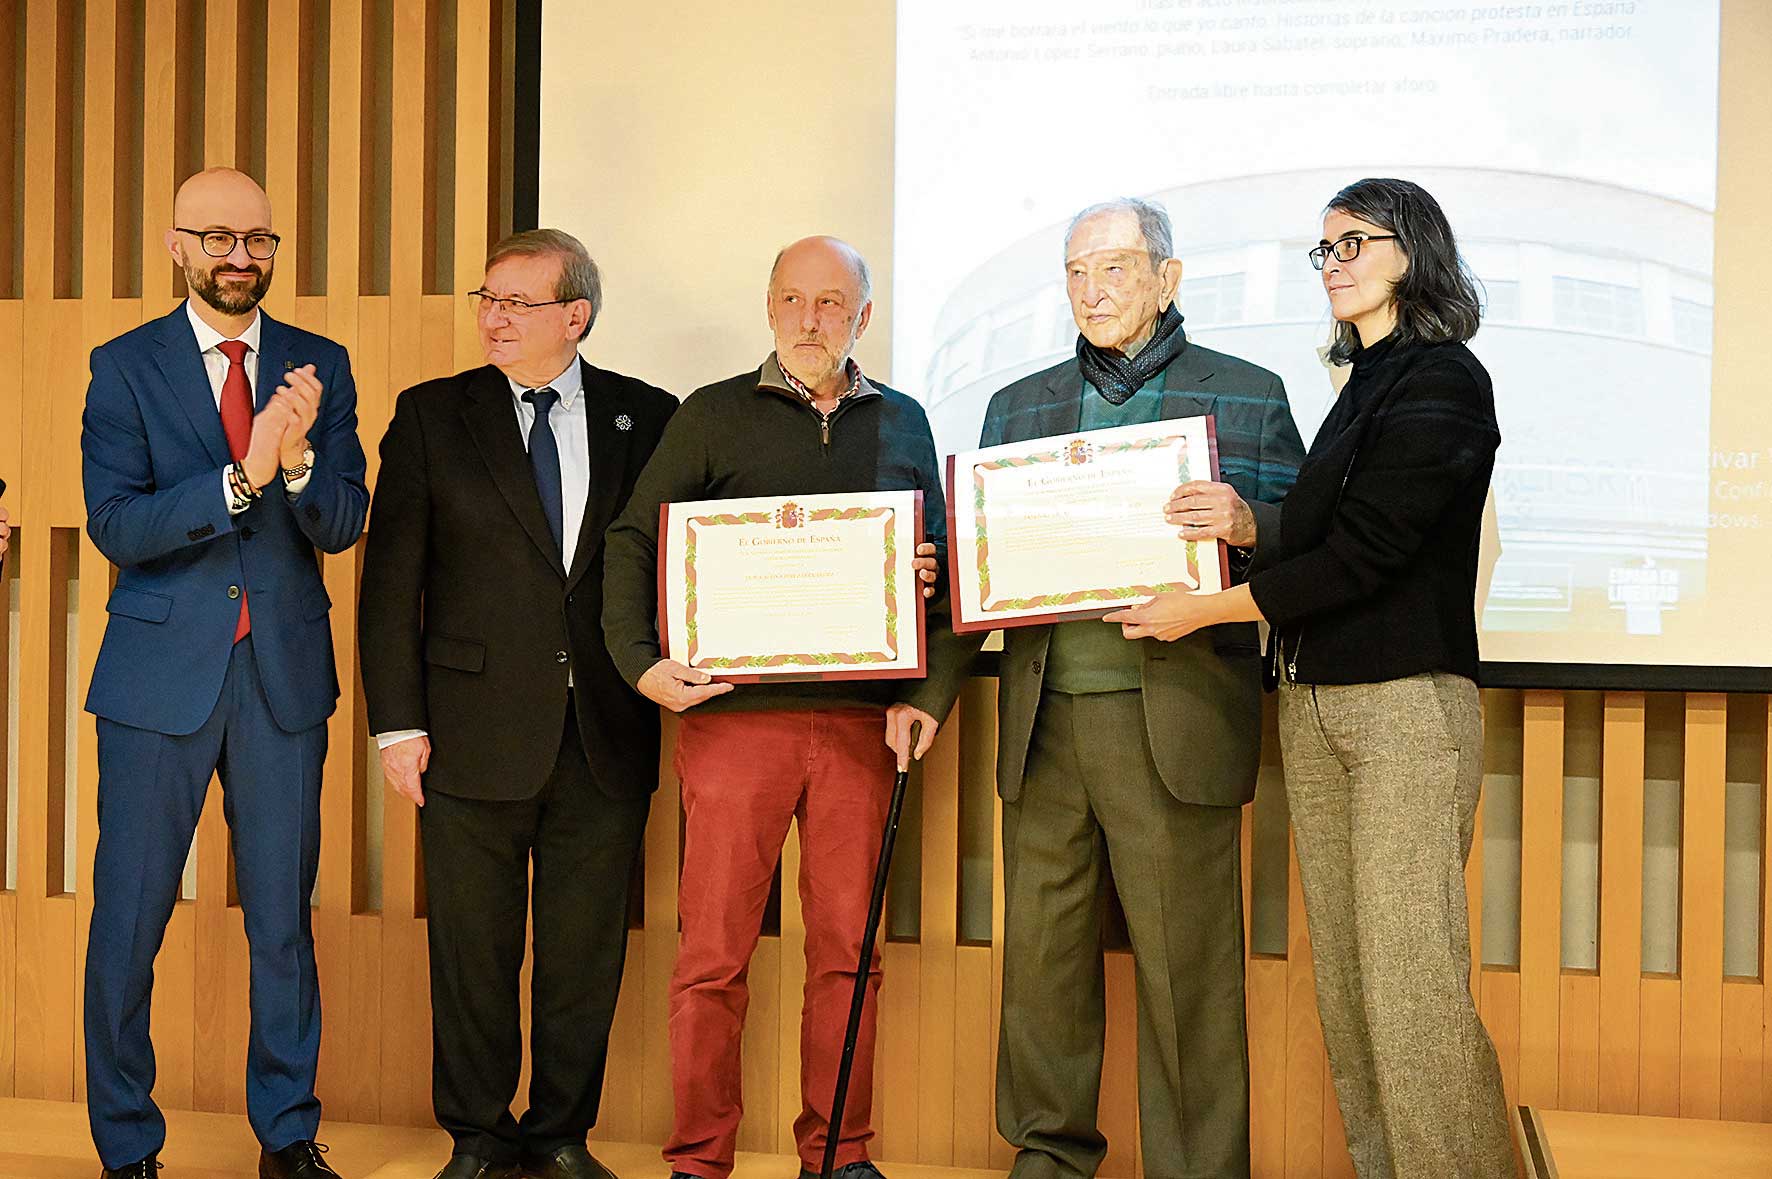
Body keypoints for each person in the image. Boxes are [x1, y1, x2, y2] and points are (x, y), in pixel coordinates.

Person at [1105, 177, 1510, 1177]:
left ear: (1411, 252)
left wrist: (1203, 607)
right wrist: (1247, 526)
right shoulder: (1359, 387)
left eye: (1353, 244)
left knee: (1410, 989)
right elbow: (1323, 534)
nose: (1333, 265)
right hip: (1317, 702)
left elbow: (1366, 557)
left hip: (1403, 709)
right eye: (1322, 251)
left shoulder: (1442, 379)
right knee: (1352, 989)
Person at [601, 236, 972, 1179]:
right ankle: (698, 1160)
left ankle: (840, 1155)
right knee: (713, 959)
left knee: (850, 957)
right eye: (795, 300)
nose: (813, 320)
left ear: (864, 317)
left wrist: (925, 677)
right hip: (734, 726)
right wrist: (642, 667)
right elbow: (636, 538)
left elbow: (939, 570)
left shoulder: (907, 420)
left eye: (833, 302)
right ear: (770, 308)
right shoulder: (712, 415)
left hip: (861, 727)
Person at [978, 197, 1303, 1179]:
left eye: (1115, 268)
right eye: (1076, 273)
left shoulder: (1244, 392)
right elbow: (987, 555)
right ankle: (1045, 1157)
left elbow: (1310, 538)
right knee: (1040, 972)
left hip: (1172, 721)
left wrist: (1248, 525)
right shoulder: (1017, 404)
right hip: (1040, 722)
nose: (1093, 290)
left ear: (1166, 278)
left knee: (1184, 979)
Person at [357, 229, 677, 1179]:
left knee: (583, 958)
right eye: (485, 298)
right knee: (472, 951)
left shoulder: (647, 416)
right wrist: (397, 724)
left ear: (575, 315)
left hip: (604, 734)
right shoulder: (431, 416)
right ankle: (477, 1135)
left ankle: (561, 1134)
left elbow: (680, 558)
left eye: (517, 303)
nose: (492, 317)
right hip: (467, 733)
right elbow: (389, 585)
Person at [80, 167, 369, 1179]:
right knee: (131, 914)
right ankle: (126, 1145)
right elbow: (118, 526)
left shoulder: (318, 363)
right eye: (216, 237)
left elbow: (341, 522)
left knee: (284, 921)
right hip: (159, 682)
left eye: (258, 239)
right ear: (175, 245)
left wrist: (295, 466)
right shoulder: (122, 368)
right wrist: (243, 476)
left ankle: (287, 1136)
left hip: (282, 680)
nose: (239, 256)